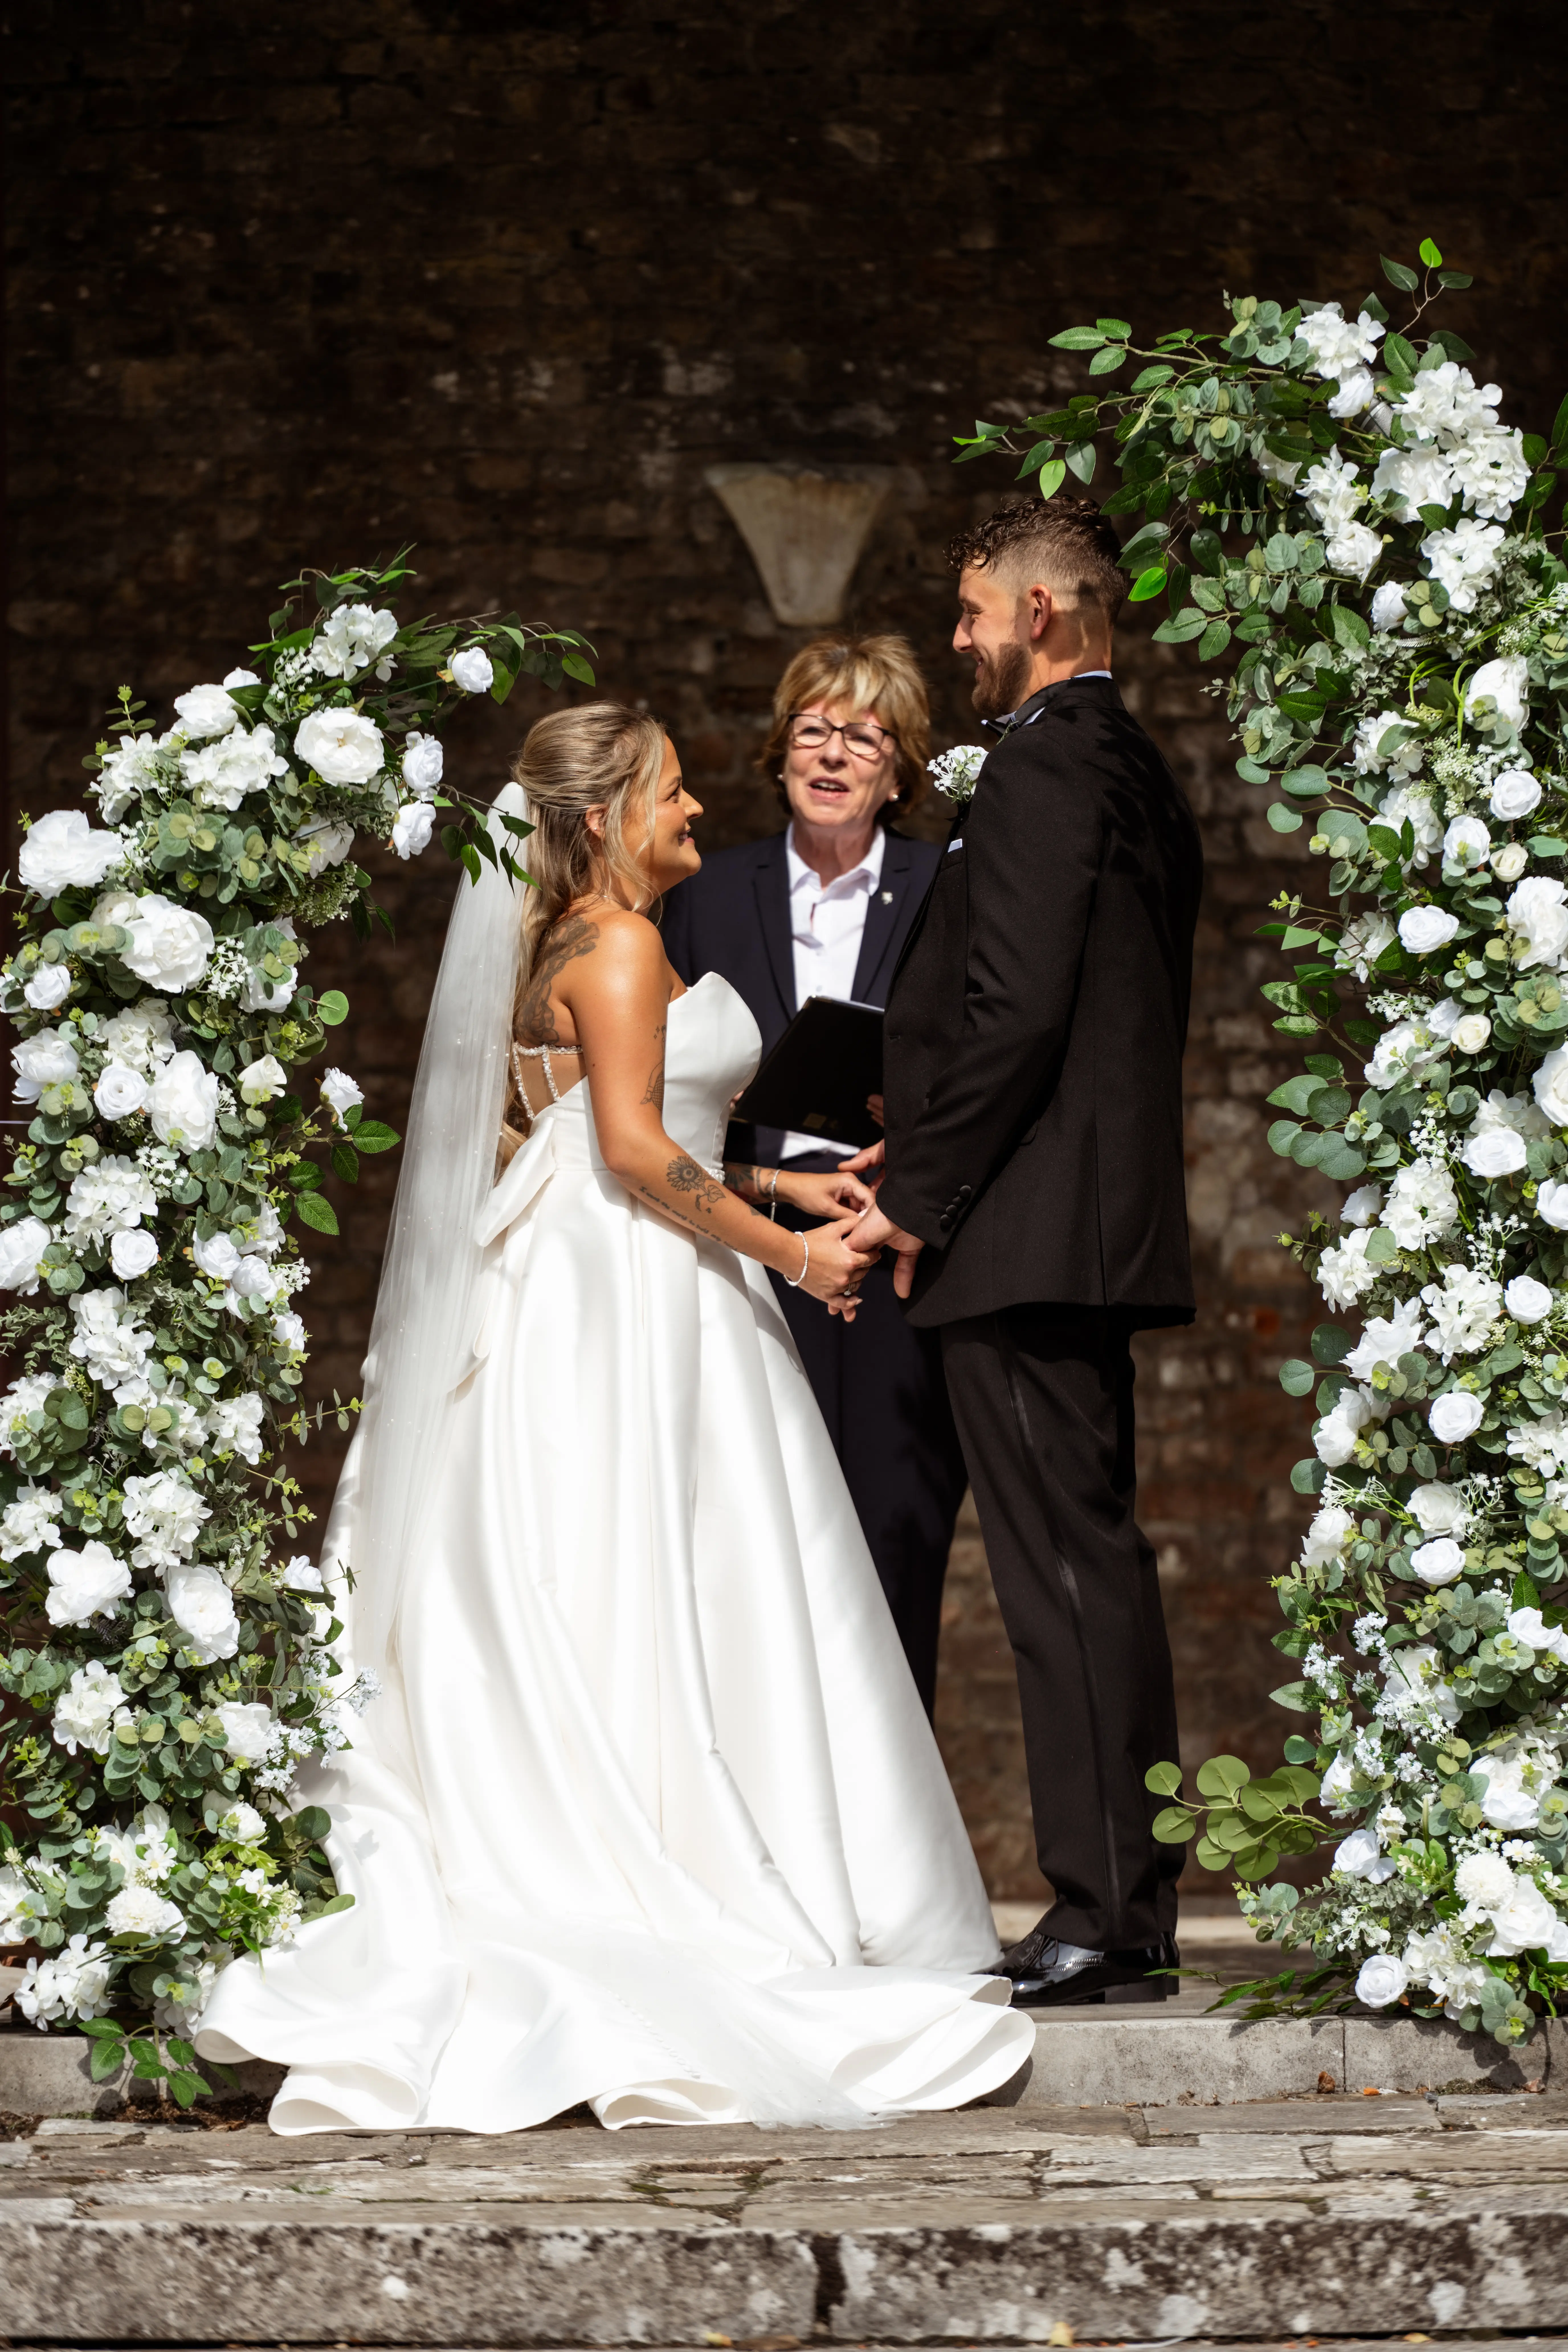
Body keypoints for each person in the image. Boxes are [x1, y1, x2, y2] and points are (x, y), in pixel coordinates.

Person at [196, 701, 1030, 2132]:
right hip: (634, 1291)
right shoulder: (628, 944)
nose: (696, 810)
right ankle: (668, 1849)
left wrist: (776, 1183)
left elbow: (584, 1128)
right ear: (602, 819)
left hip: (570, 1270)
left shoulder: (561, 945)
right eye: (672, 791)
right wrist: (798, 1257)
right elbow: (637, 1153)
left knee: (598, 1565)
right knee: (663, 1567)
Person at [843, 499, 1204, 2008]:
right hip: (1067, 1222)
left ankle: (1104, 1912)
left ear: (1041, 613)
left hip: (1027, 1233)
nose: (960, 641)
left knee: (1063, 1569)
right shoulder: (1127, 762)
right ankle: (1123, 1907)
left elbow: (1019, 1010)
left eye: (973, 612)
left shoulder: (1051, 760)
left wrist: (919, 1196)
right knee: (1086, 1557)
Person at [661, 636, 967, 1717]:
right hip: (743, 1249)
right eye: (814, 730)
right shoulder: (706, 893)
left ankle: (890, 1800)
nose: (834, 755)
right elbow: (664, 1079)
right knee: (743, 1537)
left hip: (896, 1259)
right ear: (781, 747)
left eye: (865, 737)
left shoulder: (948, 886)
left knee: (894, 1537)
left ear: (902, 767)